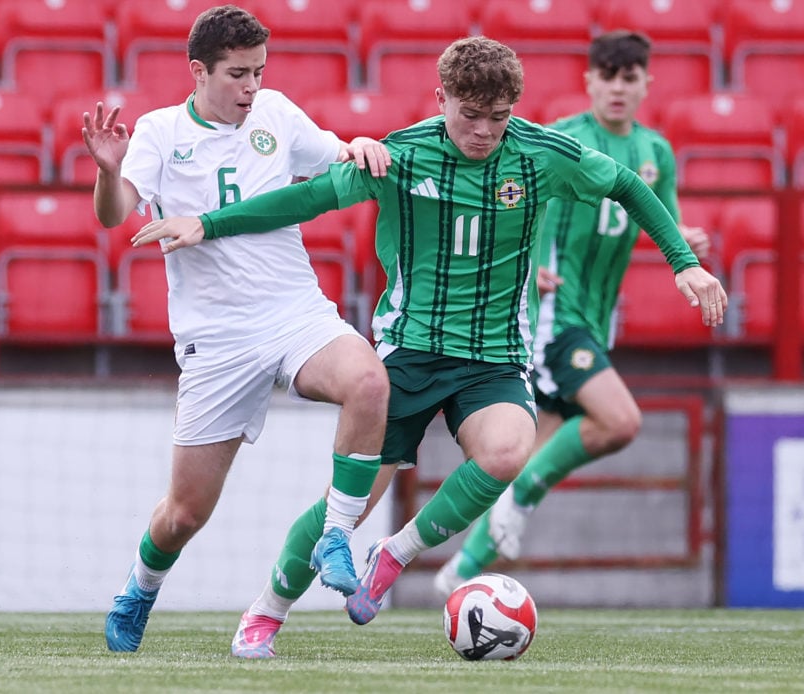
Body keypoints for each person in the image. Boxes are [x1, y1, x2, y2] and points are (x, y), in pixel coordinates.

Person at [132, 35, 728, 659]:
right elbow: (308, 198)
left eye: (498, 119)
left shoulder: (541, 154)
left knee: (506, 453)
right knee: (350, 508)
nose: (483, 132)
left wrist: (683, 263)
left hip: (494, 356)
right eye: (469, 116)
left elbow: (629, 185)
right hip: (409, 352)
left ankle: (399, 555)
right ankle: (265, 613)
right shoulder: (402, 155)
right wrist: (209, 222)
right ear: (441, 98)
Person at [83, 5, 393, 654]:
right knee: (183, 514)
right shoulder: (161, 132)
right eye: (237, 75)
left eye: (259, 71)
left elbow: (339, 157)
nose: (252, 87)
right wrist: (110, 173)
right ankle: (139, 587)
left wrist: (358, 147)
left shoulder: (276, 114)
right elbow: (115, 215)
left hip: (293, 312)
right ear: (199, 72)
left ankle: (336, 533)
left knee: (368, 382)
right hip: (216, 338)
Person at [433, 30, 714, 595]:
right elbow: (519, 200)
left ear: (644, 85)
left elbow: (660, 216)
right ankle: (508, 510)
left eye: (628, 78)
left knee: (531, 455)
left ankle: (459, 575)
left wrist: (682, 241)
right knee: (619, 420)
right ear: (589, 82)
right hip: (556, 311)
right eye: (606, 76)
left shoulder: (656, 152)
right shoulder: (563, 138)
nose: (617, 88)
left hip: (597, 315)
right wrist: (527, 264)